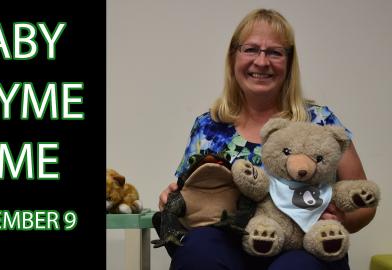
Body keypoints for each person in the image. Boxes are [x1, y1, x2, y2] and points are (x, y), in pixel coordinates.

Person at [157, 8, 376, 270]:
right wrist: (172, 198)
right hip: (232, 246)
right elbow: (190, 191)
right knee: (199, 248)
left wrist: (342, 220)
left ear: (289, 62)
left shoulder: (320, 120)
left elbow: (364, 201)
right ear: (233, 58)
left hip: (304, 246)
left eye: (274, 52)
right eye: (250, 49)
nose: (261, 62)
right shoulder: (208, 125)